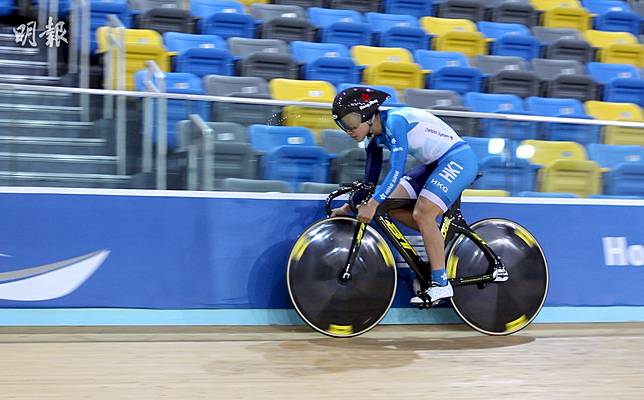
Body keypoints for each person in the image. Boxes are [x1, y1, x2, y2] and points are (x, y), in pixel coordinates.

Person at [329, 87, 479, 305]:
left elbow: (396, 170)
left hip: (458, 160)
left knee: (423, 214)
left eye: (351, 121)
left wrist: (371, 203)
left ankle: (441, 284)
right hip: (433, 164)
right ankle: (435, 239)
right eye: (342, 124)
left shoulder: (395, 122)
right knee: (387, 205)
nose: (348, 129)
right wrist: (348, 207)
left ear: (368, 114)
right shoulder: (374, 139)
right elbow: (369, 183)